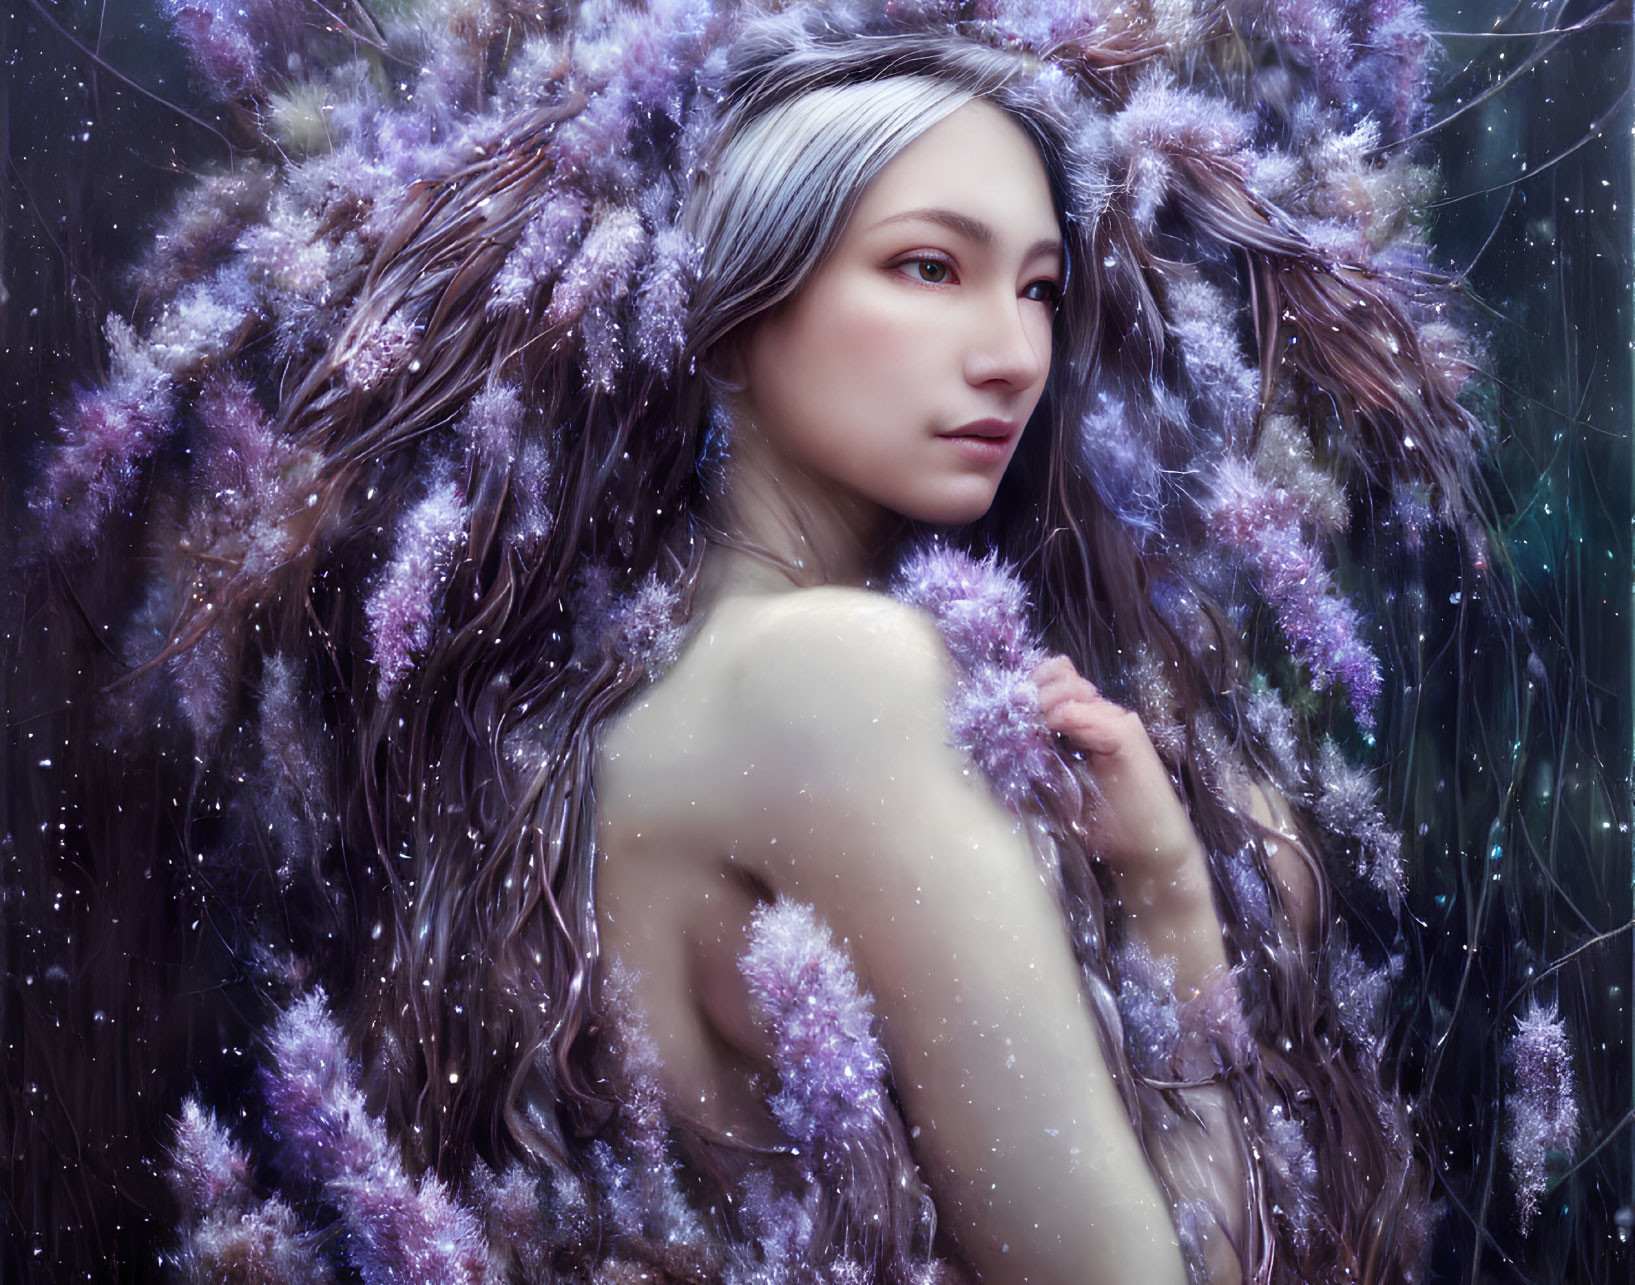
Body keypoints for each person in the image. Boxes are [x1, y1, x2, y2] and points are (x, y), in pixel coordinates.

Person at [19, 1, 1482, 1282]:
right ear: (727, 316)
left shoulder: (633, 695)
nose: (1011, 350)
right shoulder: (835, 678)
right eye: (927, 267)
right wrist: (1170, 896)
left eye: (1038, 285)